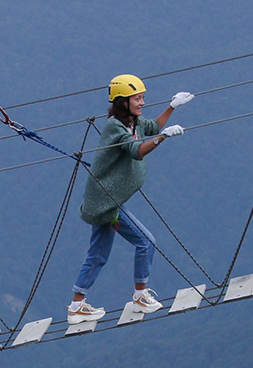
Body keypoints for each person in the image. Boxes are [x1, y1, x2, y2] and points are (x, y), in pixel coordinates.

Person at [67, 74, 193, 324]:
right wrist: (162, 138)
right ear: (123, 101)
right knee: (146, 242)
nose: (142, 102)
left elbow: (152, 127)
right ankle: (139, 296)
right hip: (106, 203)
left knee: (98, 255)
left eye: (143, 97)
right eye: (137, 98)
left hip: (105, 201)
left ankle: (76, 306)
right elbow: (137, 151)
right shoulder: (116, 127)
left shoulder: (131, 121)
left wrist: (172, 106)